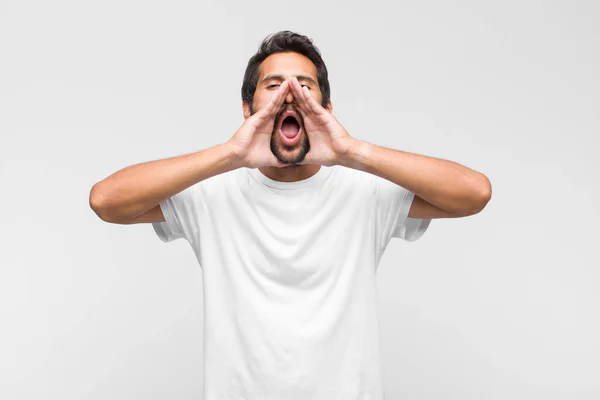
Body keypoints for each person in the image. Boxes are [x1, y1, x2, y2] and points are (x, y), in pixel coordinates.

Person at [90, 30, 491, 400]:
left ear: (326, 107)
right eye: (273, 86)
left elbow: (474, 193)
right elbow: (106, 201)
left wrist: (350, 151)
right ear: (247, 108)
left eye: (304, 85)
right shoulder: (211, 192)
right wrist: (231, 154)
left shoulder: (365, 190)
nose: (289, 95)